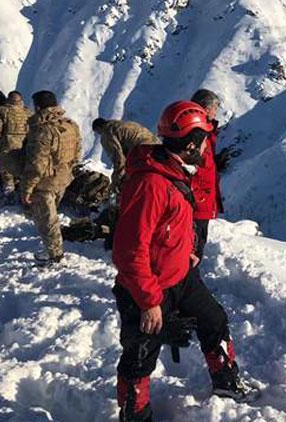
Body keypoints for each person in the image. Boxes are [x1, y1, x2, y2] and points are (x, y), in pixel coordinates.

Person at [111, 101, 257, 422]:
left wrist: (187, 250)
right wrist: (148, 300)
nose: (207, 144)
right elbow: (128, 249)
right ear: (191, 143)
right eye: (204, 137)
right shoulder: (151, 183)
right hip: (148, 288)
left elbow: (175, 221)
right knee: (140, 357)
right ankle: (135, 415)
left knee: (214, 319)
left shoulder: (174, 170)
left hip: (180, 275)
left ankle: (226, 381)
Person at [20, 91, 82, 265]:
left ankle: (55, 255)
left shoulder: (42, 130)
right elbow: (78, 153)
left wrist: (27, 188)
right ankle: (53, 250)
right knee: (51, 216)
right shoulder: (71, 125)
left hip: (45, 182)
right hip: (64, 178)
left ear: (38, 107)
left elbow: (36, 165)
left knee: (47, 220)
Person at [188, 89, 224, 262]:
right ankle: (184, 285)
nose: (217, 111)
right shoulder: (197, 133)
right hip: (197, 202)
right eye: (216, 107)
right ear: (207, 109)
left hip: (200, 201)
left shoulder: (203, 132)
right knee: (192, 250)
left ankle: (185, 283)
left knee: (195, 247)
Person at [92, 117, 159, 192]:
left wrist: (115, 181)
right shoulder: (121, 124)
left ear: (99, 128)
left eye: (98, 132)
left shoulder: (107, 132)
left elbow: (118, 158)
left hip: (143, 150)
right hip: (157, 145)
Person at [0, 91, 33, 201]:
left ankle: (9, 192)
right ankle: (22, 191)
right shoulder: (28, 112)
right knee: (22, 166)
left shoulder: (2, 111)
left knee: (6, 168)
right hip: (25, 143)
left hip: (8, 142)